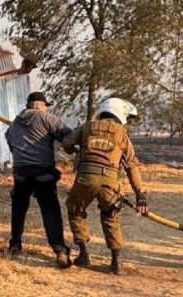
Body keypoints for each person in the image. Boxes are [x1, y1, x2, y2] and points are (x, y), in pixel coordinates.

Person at [62, 97, 148, 275]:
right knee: (111, 217)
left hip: (85, 178)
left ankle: (84, 255)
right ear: (120, 114)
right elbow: (131, 165)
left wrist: (78, 150)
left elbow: (67, 144)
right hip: (110, 182)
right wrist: (140, 194)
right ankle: (116, 263)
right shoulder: (122, 133)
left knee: (75, 211)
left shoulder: (87, 126)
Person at [5, 91, 73, 268]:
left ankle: (15, 245)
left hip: (21, 173)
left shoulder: (14, 123)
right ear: (37, 105)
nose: (45, 109)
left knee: (18, 210)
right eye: (44, 105)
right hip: (43, 173)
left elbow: (10, 141)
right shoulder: (46, 118)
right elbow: (68, 136)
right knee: (50, 211)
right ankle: (60, 251)